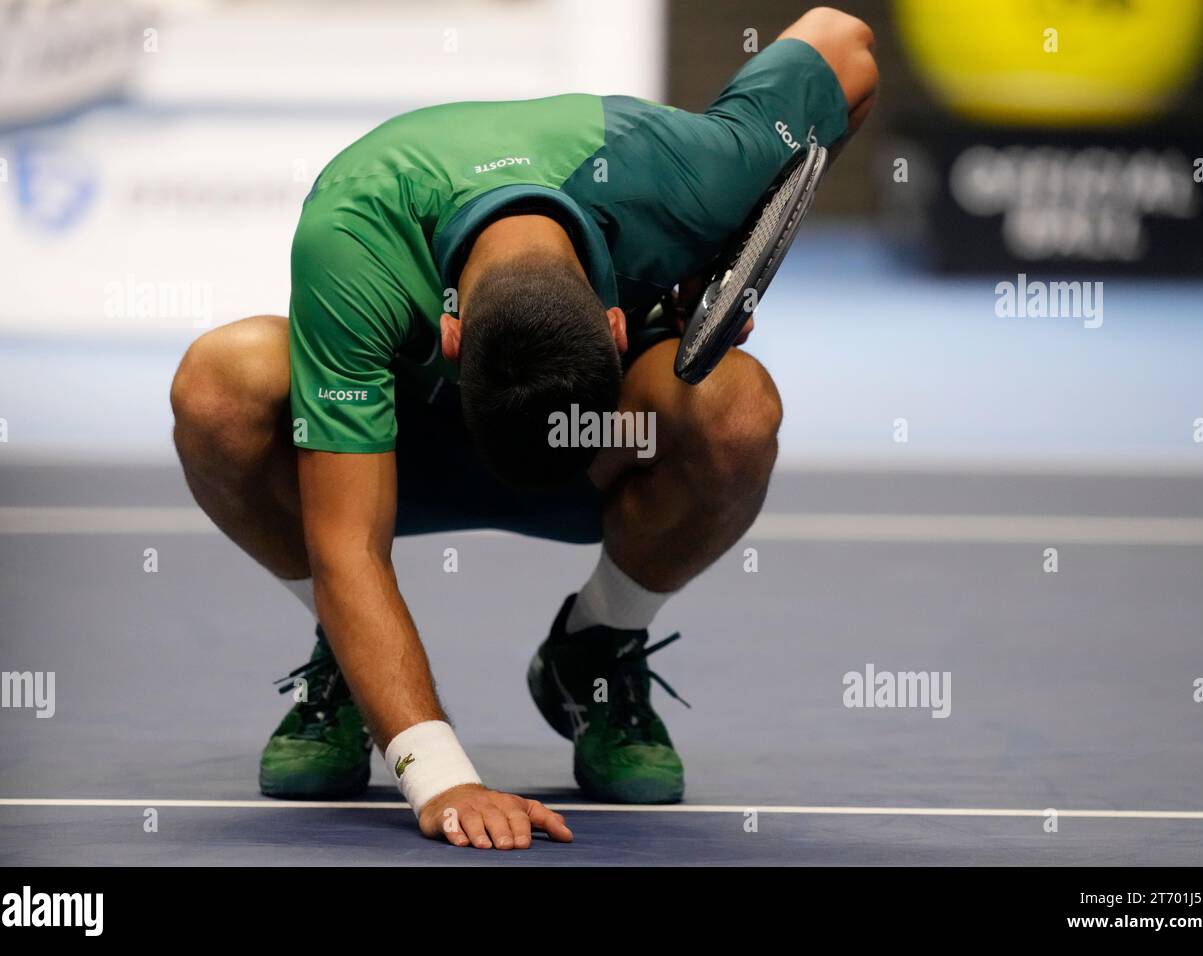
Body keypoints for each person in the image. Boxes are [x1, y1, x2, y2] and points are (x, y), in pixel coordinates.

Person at [169, 6, 878, 850]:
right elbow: (348, 545)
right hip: (403, 444)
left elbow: (846, 44)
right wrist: (441, 779)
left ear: (617, 329)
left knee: (736, 408)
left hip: (605, 449)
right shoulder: (354, 241)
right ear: (451, 334)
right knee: (219, 385)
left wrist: (743, 261)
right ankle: (351, 672)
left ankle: (597, 648)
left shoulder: (690, 174)